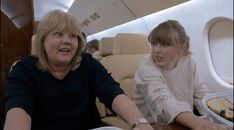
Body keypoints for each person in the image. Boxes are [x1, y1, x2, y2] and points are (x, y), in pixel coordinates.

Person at [3, 10, 154, 130]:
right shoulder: (23, 70)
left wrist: (140, 123)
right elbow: (18, 108)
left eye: (73, 36)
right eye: (58, 34)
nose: (67, 41)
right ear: (42, 41)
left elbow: (113, 93)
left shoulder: (88, 64)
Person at [134, 20, 231, 130]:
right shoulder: (146, 68)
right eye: (154, 44)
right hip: (152, 123)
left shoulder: (188, 62)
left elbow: (200, 93)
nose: (156, 50)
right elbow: (162, 102)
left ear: (182, 47)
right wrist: (201, 124)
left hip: (183, 118)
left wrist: (221, 116)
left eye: (165, 44)